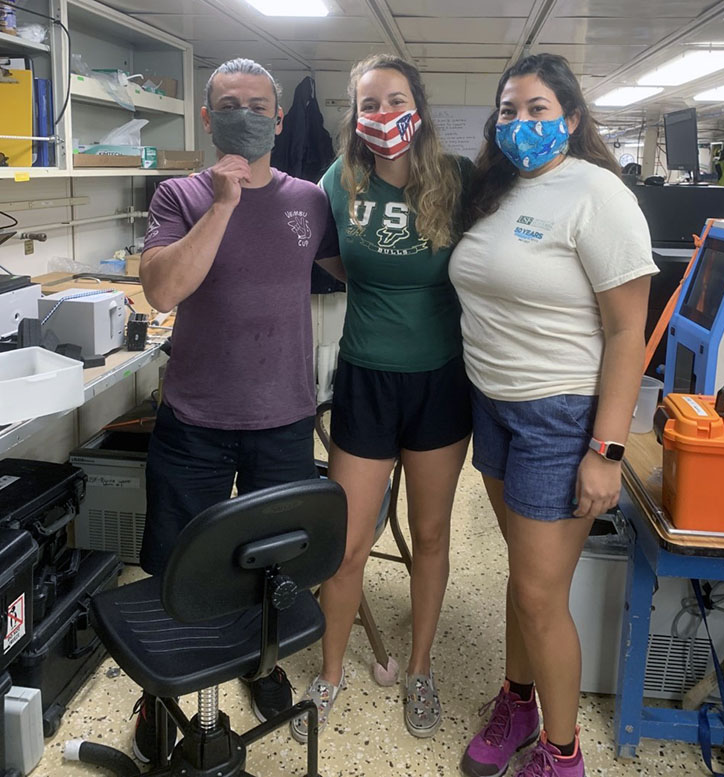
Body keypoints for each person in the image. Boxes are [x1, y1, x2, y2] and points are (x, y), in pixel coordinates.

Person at [449, 53, 658, 777]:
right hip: (493, 407)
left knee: (540, 593)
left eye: (537, 109)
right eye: (508, 110)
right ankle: (517, 698)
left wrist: (606, 448)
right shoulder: (493, 189)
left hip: (560, 416)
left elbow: (628, 332)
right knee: (524, 577)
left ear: (570, 118)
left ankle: (560, 754)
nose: (520, 123)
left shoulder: (598, 194)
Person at [134, 57, 339, 763]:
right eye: (229, 103)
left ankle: (261, 662)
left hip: (282, 415)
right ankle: (157, 690)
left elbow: (356, 272)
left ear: (280, 119)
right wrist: (223, 203)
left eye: (258, 105)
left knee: (270, 565)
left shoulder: (311, 200)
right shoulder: (179, 195)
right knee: (171, 558)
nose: (245, 115)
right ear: (205, 116)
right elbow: (162, 291)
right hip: (194, 416)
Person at [290, 53, 473, 744]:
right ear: (354, 112)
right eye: (369, 103)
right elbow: (328, 254)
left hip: (439, 381)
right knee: (347, 543)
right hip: (365, 378)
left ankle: (419, 668)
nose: (383, 114)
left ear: (416, 105)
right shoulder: (340, 178)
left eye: (394, 100)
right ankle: (331, 673)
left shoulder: (455, 179)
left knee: (429, 535)